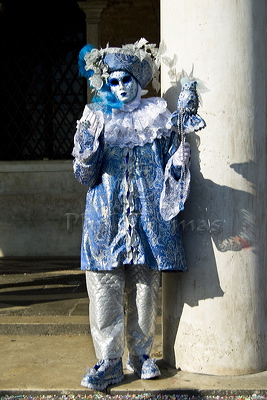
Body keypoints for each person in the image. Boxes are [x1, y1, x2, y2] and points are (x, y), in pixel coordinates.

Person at [72, 38, 191, 391]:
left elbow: (175, 162)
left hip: (146, 223)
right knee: (105, 289)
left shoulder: (157, 116)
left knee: (145, 290)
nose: (121, 87)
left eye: (127, 80)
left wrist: (183, 131)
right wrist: (90, 148)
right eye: (114, 81)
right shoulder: (94, 117)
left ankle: (140, 354)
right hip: (104, 220)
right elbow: (82, 175)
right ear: (105, 83)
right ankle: (108, 362)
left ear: (139, 82)